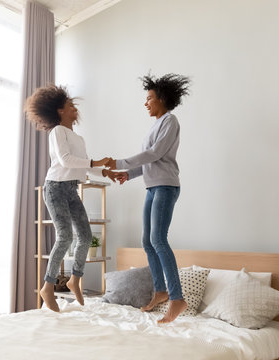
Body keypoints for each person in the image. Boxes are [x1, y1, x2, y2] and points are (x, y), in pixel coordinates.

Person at [106, 73, 191, 324]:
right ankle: (161, 291)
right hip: (152, 187)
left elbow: (154, 153)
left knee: (158, 239)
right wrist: (128, 174)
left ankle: (177, 298)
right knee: (147, 241)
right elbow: (151, 161)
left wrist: (120, 162)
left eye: (149, 98)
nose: (146, 103)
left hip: (166, 186)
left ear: (161, 99)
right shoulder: (155, 126)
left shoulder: (170, 121)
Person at [25, 84, 113, 312]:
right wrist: (95, 162)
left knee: (84, 236)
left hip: (71, 189)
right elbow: (65, 160)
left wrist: (107, 171)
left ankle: (75, 279)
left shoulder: (78, 138)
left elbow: (83, 168)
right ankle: (47, 286)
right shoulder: (57, 132)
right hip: (54, 188)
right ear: (59, 111)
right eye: (70, 105)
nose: (75, 109)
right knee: (64, 237)